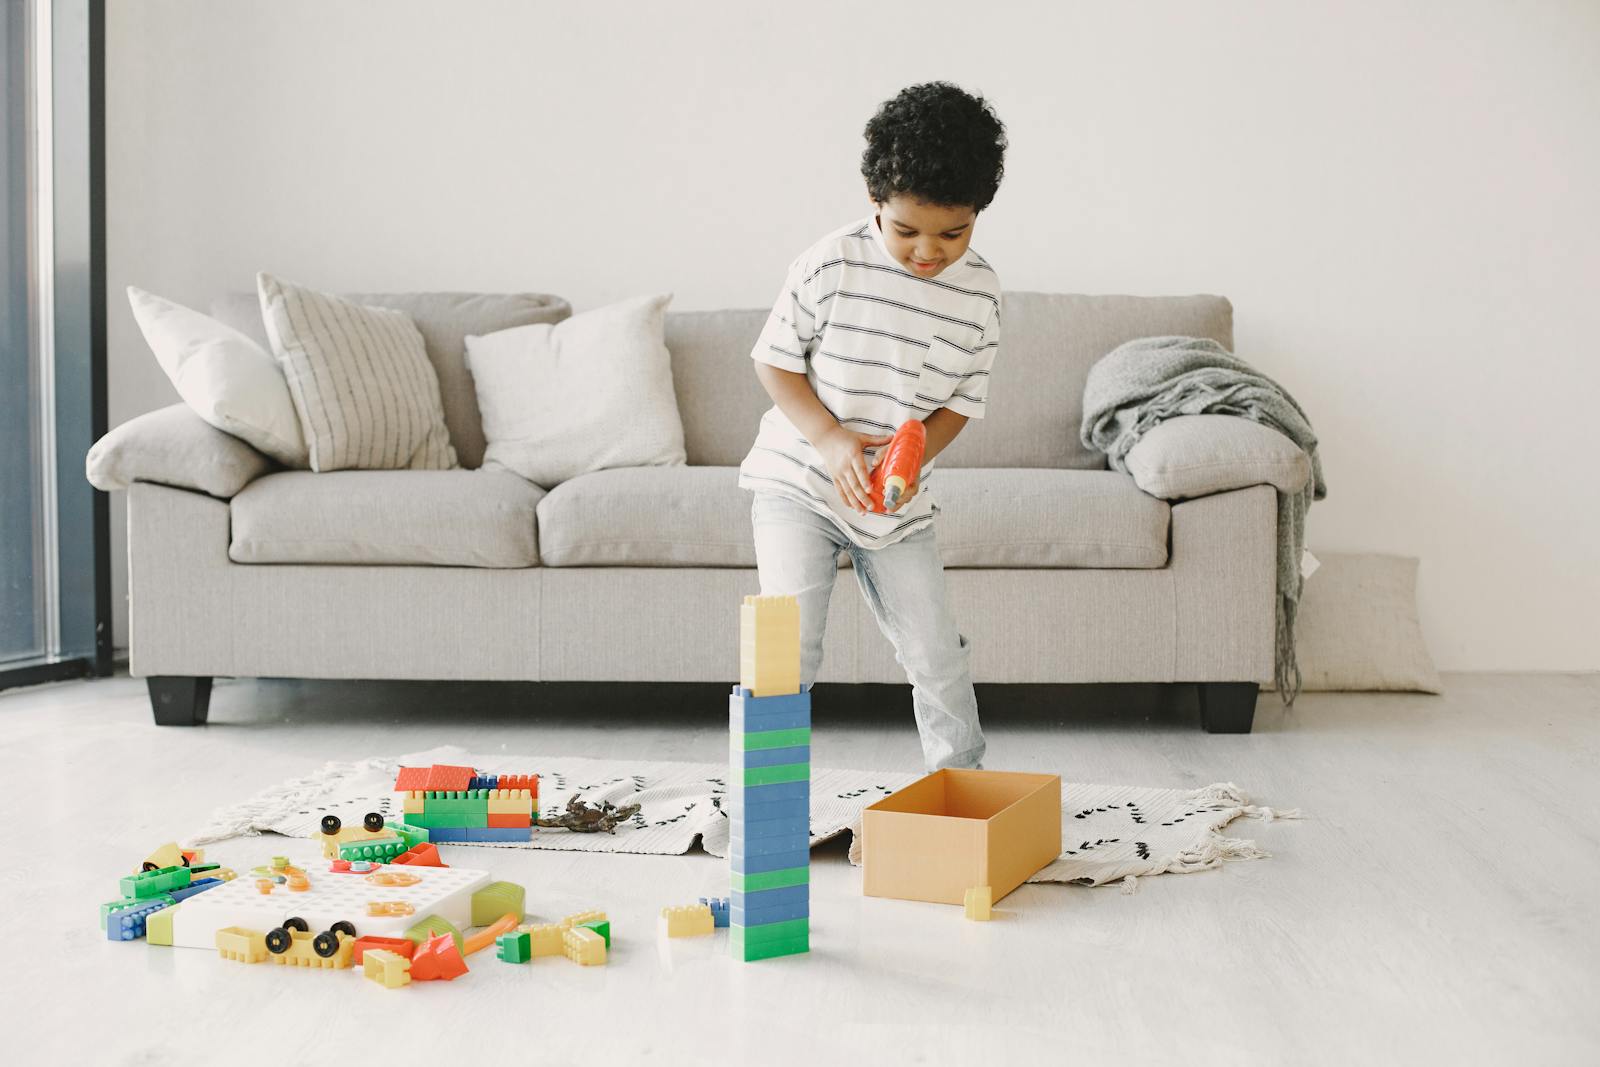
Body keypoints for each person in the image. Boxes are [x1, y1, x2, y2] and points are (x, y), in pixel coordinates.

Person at [737, 81, 1008, 771]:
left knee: (935, 651)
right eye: (906, 229)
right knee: (786, 647)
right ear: (874, 201)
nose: (928, 251)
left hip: (896, 506)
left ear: (979, 213)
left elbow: (958, 405)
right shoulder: (830, 263)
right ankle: (762, 798)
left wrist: (911, 463)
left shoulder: (980, 294)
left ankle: (961, 787)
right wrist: (829, 440)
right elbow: (774, 363)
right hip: (799, 483)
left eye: (954, 232)